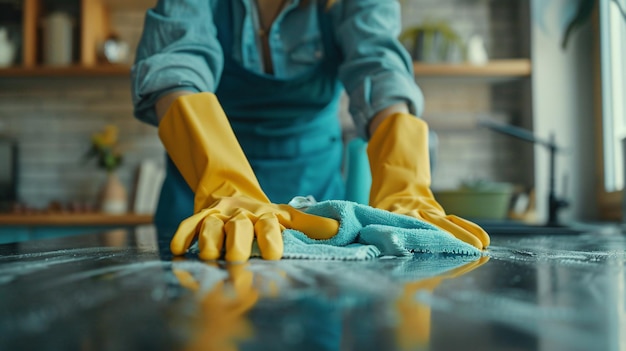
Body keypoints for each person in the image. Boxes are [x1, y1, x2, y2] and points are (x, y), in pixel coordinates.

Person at [131, 0, 489, 262]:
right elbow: (175, 66)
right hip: (204, 199)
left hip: (315, 207)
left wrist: (406, 184)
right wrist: (224, 184)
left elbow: (380, 69)